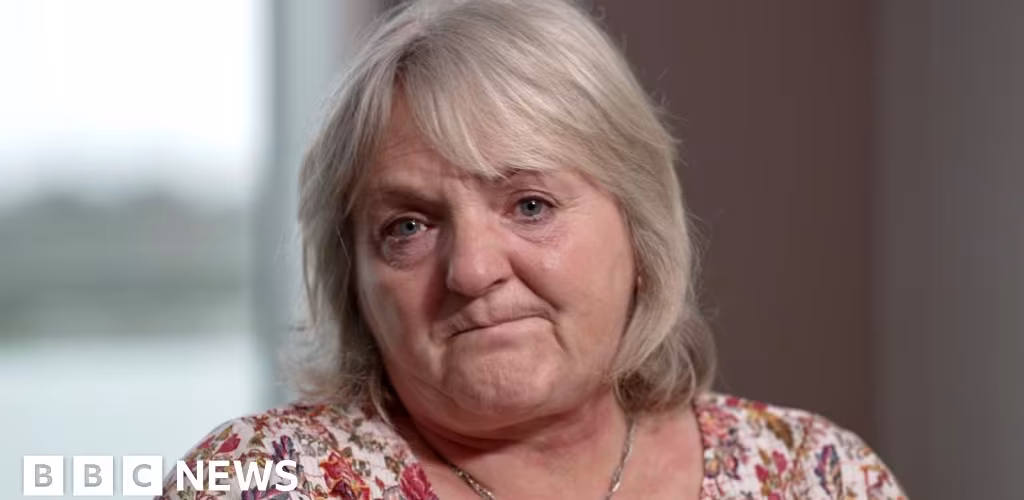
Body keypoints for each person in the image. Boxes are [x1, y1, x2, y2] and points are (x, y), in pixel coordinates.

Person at [158, 0, 907, 498]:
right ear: (353, 279)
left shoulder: (817, 474)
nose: (473, 270)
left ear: (639, 229)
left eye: (530, 205)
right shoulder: (268, 480)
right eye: (408, 227)